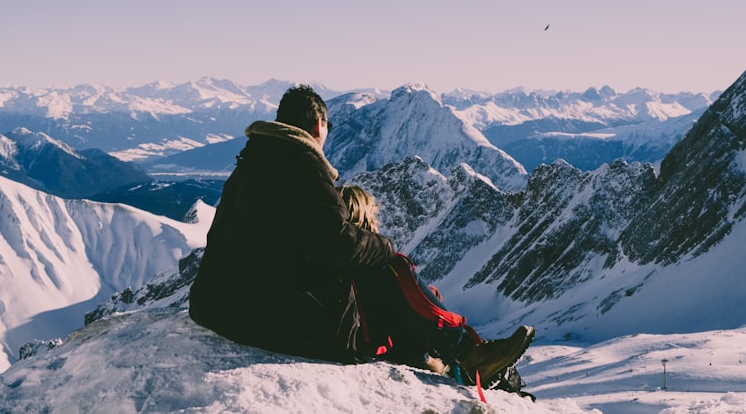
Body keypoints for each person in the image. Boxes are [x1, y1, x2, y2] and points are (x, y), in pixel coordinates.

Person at [188, 84, 534, 387]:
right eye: (328, 126)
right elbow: (338, 245)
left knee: (377, 283)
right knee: (394, 268)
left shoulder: (252, 163)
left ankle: (455, 353)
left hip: (223, 306)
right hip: (270, 315)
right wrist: (384, 246)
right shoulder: (300, 164)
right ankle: (467, 354)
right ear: (318, 125)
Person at [340, 184, 535, 391]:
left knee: (423, 294)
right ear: (364, 216)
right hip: (370, 344)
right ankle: (470, 355)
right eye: (373, 215)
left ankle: (452, 360)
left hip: (360, 337)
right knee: (402, 275)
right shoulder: (376, 267)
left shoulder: (337, 263)